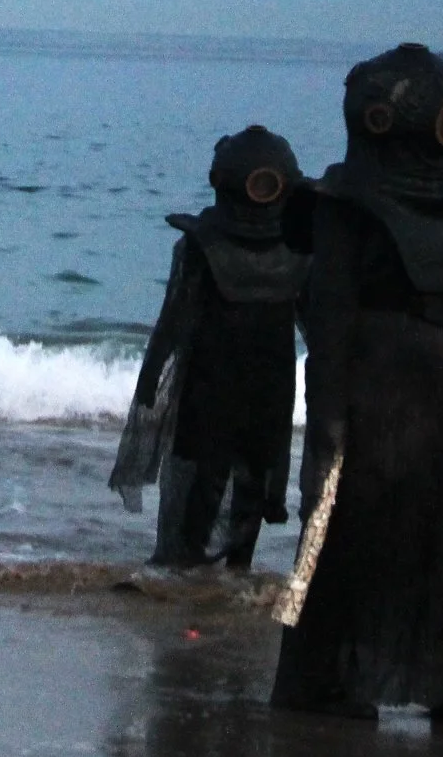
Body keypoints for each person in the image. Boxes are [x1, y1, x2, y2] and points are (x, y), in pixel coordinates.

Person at [271, 43, 443, 729]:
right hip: (375, 388)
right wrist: (328, 420)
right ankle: (321, 680)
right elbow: (329, 320)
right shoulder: (343, 206)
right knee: (348, 525)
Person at [109, 126, 309, 568]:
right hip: (267, 388)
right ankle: (232, 578)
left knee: (206, 482)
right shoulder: (297, 250)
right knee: (249, 481)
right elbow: (319, 326)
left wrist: (150, 381)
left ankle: (191, 575)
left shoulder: (204, 246)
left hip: (212, 386)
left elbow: (172, 322)